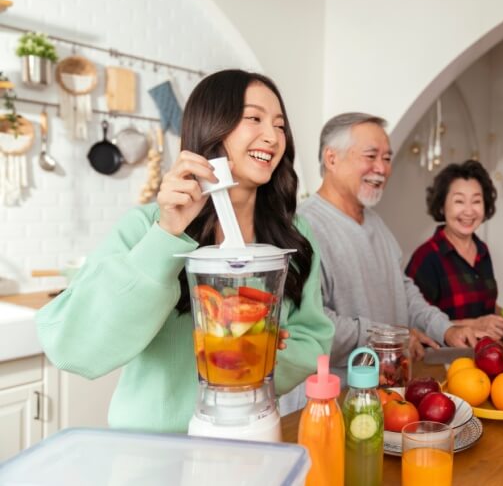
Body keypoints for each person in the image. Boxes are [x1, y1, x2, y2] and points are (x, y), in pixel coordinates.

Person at [36, 70, 334, 432]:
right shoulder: (147, 228)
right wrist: (166, 235)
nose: (272, 137)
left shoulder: (293, 235)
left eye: (280, 125)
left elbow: (312, 338)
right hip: (152, 453)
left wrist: (257, 353)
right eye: (254, 118)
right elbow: (75, 348)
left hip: (252, 437)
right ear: (212, 126)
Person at [298, 112, 479, 370]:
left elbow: (403, 291)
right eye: (370, 156)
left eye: (386, 158)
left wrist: (446, 329)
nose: (382, 169)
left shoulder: (376, 223)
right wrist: (392, 339)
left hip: (387, 390)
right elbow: (315, 324)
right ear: (332, 158)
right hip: (335, 400)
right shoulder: (304, 227)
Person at [405, 160, 503, 339]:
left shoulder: (482, 250)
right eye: (459, 201)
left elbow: (484, 306)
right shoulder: (427, 257)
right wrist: (474, 324)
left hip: (483, 355)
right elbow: (413, 323)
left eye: (476, 201)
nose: (469, 211)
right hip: (440, 360)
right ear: (441, 206)